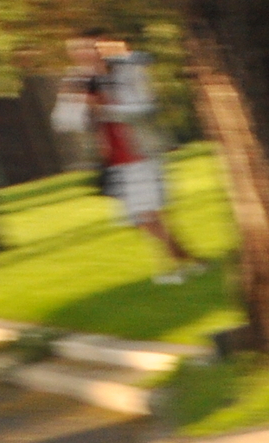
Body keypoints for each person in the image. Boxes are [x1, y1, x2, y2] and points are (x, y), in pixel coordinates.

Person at [54, 38, 202, 285]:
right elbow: (63, 122)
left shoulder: (127, 71)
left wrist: (108, 108)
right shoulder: (78, 82)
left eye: (89, 50)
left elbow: (146, 107)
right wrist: (80, 102)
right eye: (78, 53)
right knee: (141, 219)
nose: (85, 56)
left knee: (150, 213)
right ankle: (192, 260)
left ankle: (170, 268)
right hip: (114, 159)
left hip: (142, 152)